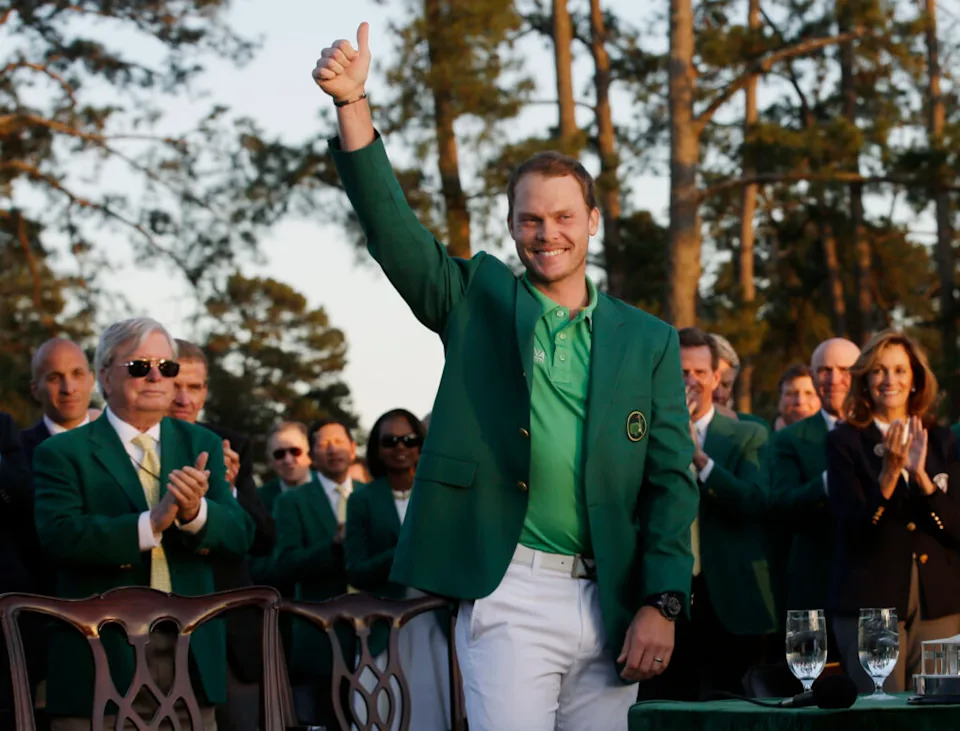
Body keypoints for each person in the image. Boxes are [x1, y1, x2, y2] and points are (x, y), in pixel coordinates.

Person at [313, 24, 698, 730]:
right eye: (530, 219)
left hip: (615, 598)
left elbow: (671, 481)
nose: (546, 232)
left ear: (593, 222)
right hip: (511, 591)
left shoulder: (648, 338)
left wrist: (663, 598)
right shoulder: (476, 299)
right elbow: (394, 232)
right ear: (513, 225)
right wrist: (353, 104)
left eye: (562, 217)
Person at [32, 317, 253, 728]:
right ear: (105, 377)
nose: (155, 375)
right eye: (138, 366)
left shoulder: (201, 443)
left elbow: (241, 534)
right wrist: (149, 523)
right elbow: (59, 536)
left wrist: (194, 514)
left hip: (189, 649)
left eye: (166, 367)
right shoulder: (62, 452)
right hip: (101, 653)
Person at [826, 330, 960, 692]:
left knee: (939, 708)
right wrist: (887, 477)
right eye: (879, 371)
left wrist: (921, 478)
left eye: (900, 370)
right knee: (881, 711)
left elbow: (955, 530)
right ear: (865, 380)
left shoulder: (943, 439)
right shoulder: (844, 441)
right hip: (869, 604)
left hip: (939, 606)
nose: (890, 380)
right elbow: (853, 529)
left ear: (915, 378)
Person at [649, 327, 774, 699]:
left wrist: (699, 459)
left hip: (732, 603)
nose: (690, 380)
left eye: (699, 373)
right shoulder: (646, 436)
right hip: (668, 602)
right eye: (681, 371)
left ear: (716, 377)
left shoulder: (748, 435)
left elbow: (756, 502)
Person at [168, 339, 276, 731]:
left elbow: (263, 539)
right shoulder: (141, 447)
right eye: (176, 384)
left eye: (194, 387)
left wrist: (228, 491)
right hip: (162, 633)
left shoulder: (231, 446)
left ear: (205, 392)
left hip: (232, 633)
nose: (183, 398)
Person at [344, 409, 450, 729]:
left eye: (409, 439)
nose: (400, 447)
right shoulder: (362, 499)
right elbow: (356, 570)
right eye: (390, 441)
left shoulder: (439, 494)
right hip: (382, 626)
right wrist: (403, 552)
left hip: (435, 621)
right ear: (376, 448)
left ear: (421, 444)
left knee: (434, 708)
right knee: (382, 713)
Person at [270, 420, 355, 727]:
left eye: (339, 441)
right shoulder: (293, 501)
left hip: (378, 637)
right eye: (323, 444)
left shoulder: (372, 495)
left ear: (353, 448)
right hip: (321, 639)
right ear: (312, 456)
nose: (333, 450)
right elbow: (285, 564)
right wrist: (331, 546)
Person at [771, 338, 860, 613]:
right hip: (817, 587)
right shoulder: (790, 439)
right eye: (824, 370)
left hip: (876, 584)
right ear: (813, 376)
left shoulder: (883, 430)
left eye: (845, 370)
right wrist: (826, 480)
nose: (834, 380)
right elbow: (782, 507)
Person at [21, 338, 96, 468]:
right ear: (36, 390)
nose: (68, 389)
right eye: (54, 378)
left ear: (91, 380)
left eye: (77, 374)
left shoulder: (119, 444)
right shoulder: (16, 454)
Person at [774, 364, 821, 431]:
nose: (800, 401)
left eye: (809, 394)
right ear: (779, 400)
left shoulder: (834, 439)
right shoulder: (764, 439)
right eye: (791, 394)